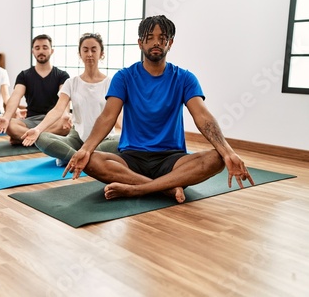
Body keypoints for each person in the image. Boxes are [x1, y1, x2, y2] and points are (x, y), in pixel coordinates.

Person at [64, 15, 254, 203]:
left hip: (172, 159)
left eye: (162, 38)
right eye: (150, 38)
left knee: (216, 159)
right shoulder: (124, 77)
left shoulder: (184, 78)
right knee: (89, 159)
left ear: (170, 43)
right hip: (131, 158)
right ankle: (167, 188)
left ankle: (137, 189)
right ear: (140, 43)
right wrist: (86, 149)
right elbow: (107, 116)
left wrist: (228, 152)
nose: (156, 43)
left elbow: (203, 116)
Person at [21, 33, 120, 166]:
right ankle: (83, 158)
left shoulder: (111, 83)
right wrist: (38, 129)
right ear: (80, 54)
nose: (89, 54)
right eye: (85, 50)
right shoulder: (71, 82)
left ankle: (71, 156)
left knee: (122, 142)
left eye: (94, 49)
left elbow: (115, 115)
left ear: (101, 53)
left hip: (103, 139)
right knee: (41, 138)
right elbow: (57, 109)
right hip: (77, 138)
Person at [0, 34, 71, 144]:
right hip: (31, 121)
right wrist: (6, 117)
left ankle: (28, 137)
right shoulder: (24, 75)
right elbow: (15, 97)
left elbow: (64, 100)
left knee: (66, 125)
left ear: (52, 51)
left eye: (45, 47)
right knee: (10, 125)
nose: (41, 51)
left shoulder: (62, 75)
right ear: (33, 51)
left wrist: (66, 114)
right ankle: (44, 139)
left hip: (53, 121)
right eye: (37, 48)